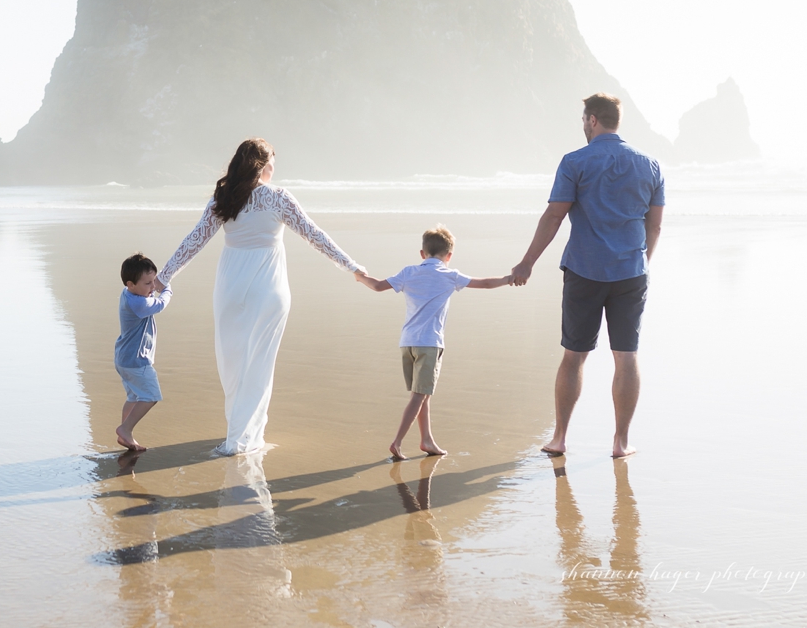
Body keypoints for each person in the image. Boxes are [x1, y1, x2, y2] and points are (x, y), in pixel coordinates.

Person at [157, 138, 364, 455]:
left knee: (233, 361)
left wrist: (164, 276)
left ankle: (237, 433)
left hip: (230, 287)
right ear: (264, 166)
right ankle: (244, 437)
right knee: (259, 363)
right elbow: (315, 235)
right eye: (272, 166)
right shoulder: (278, 197)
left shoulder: (225, 197)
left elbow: (195, 240)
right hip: (269, 288)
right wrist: (353, 268)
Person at [511, 93, 665, 458]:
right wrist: (642, 262)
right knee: (626, 356)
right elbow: (654, 227)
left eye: (584, 120)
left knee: (574, 356)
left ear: (593, 119)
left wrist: (527, 262)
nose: (583, 126)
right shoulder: (651, 165)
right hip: (631, 272)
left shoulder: (575, 161)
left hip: (584, 270)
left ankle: (560, 438)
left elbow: (553, 217)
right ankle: (620, 442)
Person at [355, 225, 513, 459]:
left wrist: (361, 277)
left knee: (421, 394)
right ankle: (397, 442)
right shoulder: (449, 275)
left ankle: (427, 440)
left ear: (422, 253)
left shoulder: (409, 272)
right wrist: (511, 278)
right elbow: (486, 284)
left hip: (407, 343)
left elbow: (377, 286)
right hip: (429, 344)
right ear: (449, 256)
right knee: (420, 395)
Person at [113, 253, 171, 452]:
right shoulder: (138, 303)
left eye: (154, 281)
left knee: (134, 397)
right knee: (150, 396)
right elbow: (161, 304)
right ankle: (125, 429)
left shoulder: (128, 294)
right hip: (137, 361)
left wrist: (150, 287)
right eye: (148, 283)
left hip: (124, 358)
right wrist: (167, 289)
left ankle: (126, 437)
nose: (153, 287)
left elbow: (149, 295)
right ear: (130, 284)